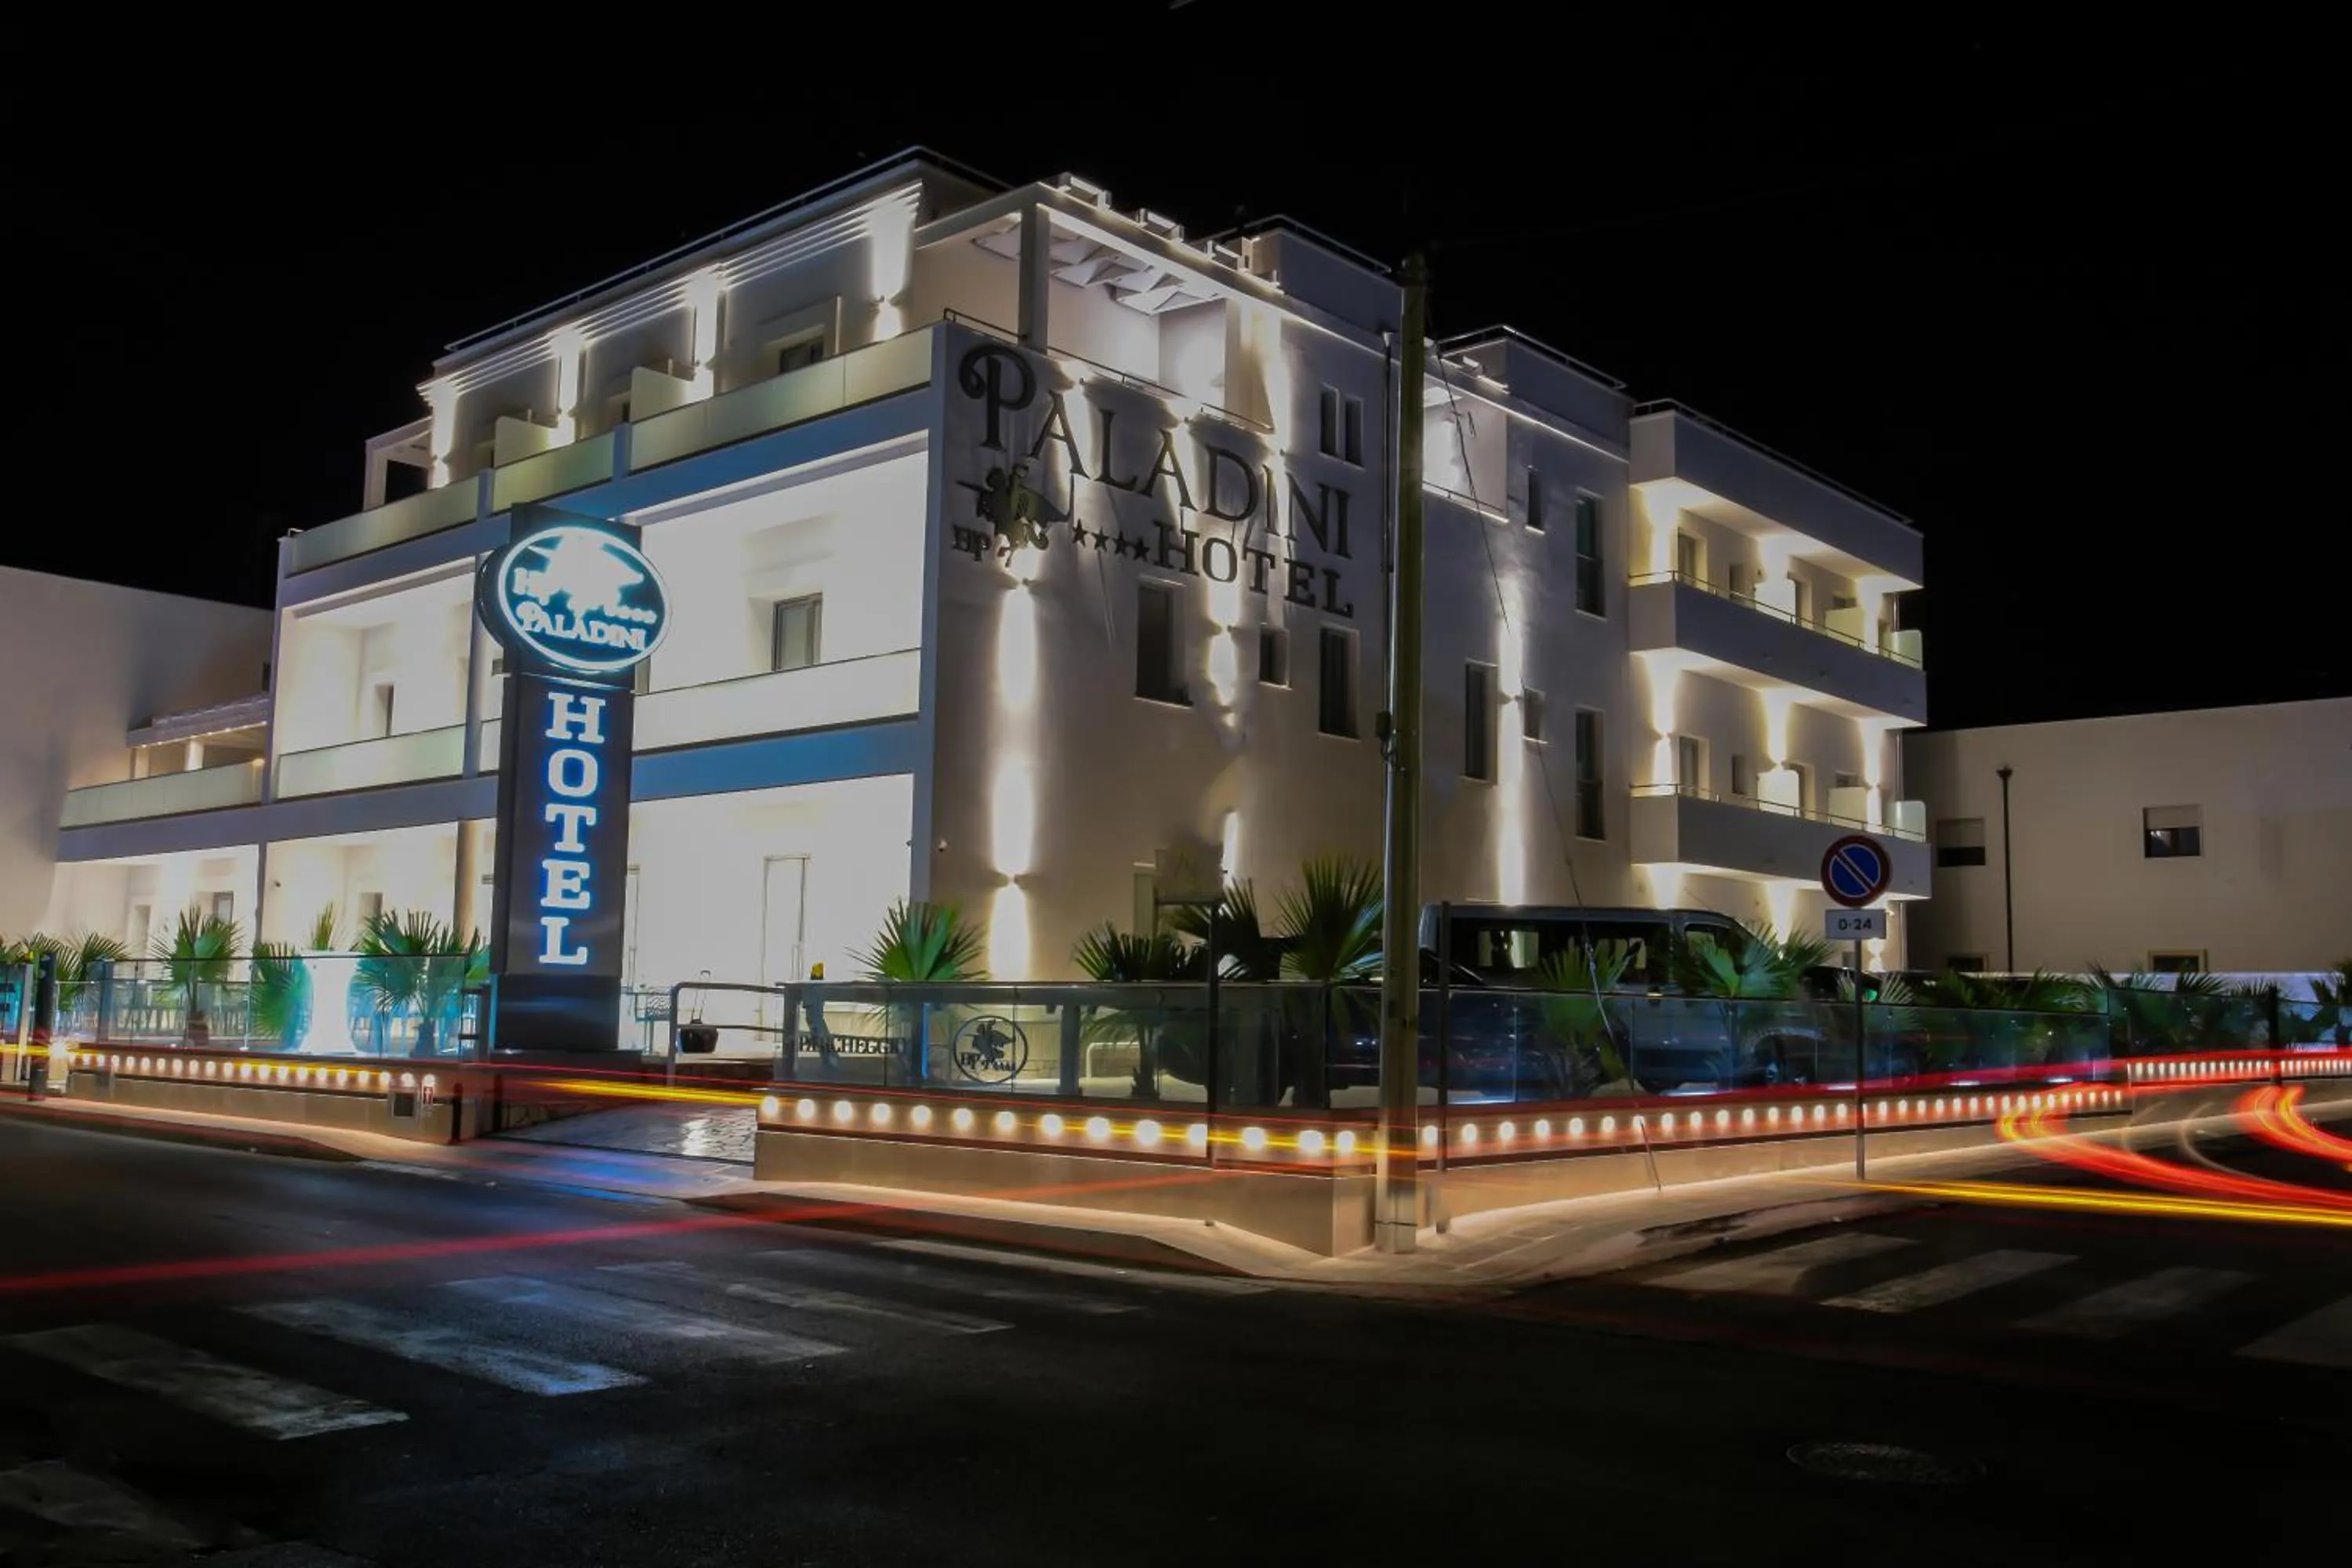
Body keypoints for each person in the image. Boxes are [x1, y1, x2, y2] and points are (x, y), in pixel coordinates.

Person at [804, 961, 838, 1077]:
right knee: (824, 1042)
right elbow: (810, 1012)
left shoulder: (814, 988)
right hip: (815, 1020)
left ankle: (829, 1064)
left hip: (816, 1019)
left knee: (825, 1042)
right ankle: (830, 1065)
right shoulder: (813, 988)